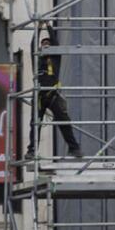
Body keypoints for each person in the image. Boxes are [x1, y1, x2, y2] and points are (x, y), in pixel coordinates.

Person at [33, 26, 81, 158]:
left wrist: (48, 26)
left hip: (53, 94)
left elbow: (55, 42)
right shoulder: (37, 58)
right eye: (43, 44)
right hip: (39, 95)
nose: (46, 46)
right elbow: (33, 44)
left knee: (64, 121)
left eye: (48, 44)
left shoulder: (55, 58)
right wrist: (38, 28)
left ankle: (74, 148)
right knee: (35, 124)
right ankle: (32, 150)